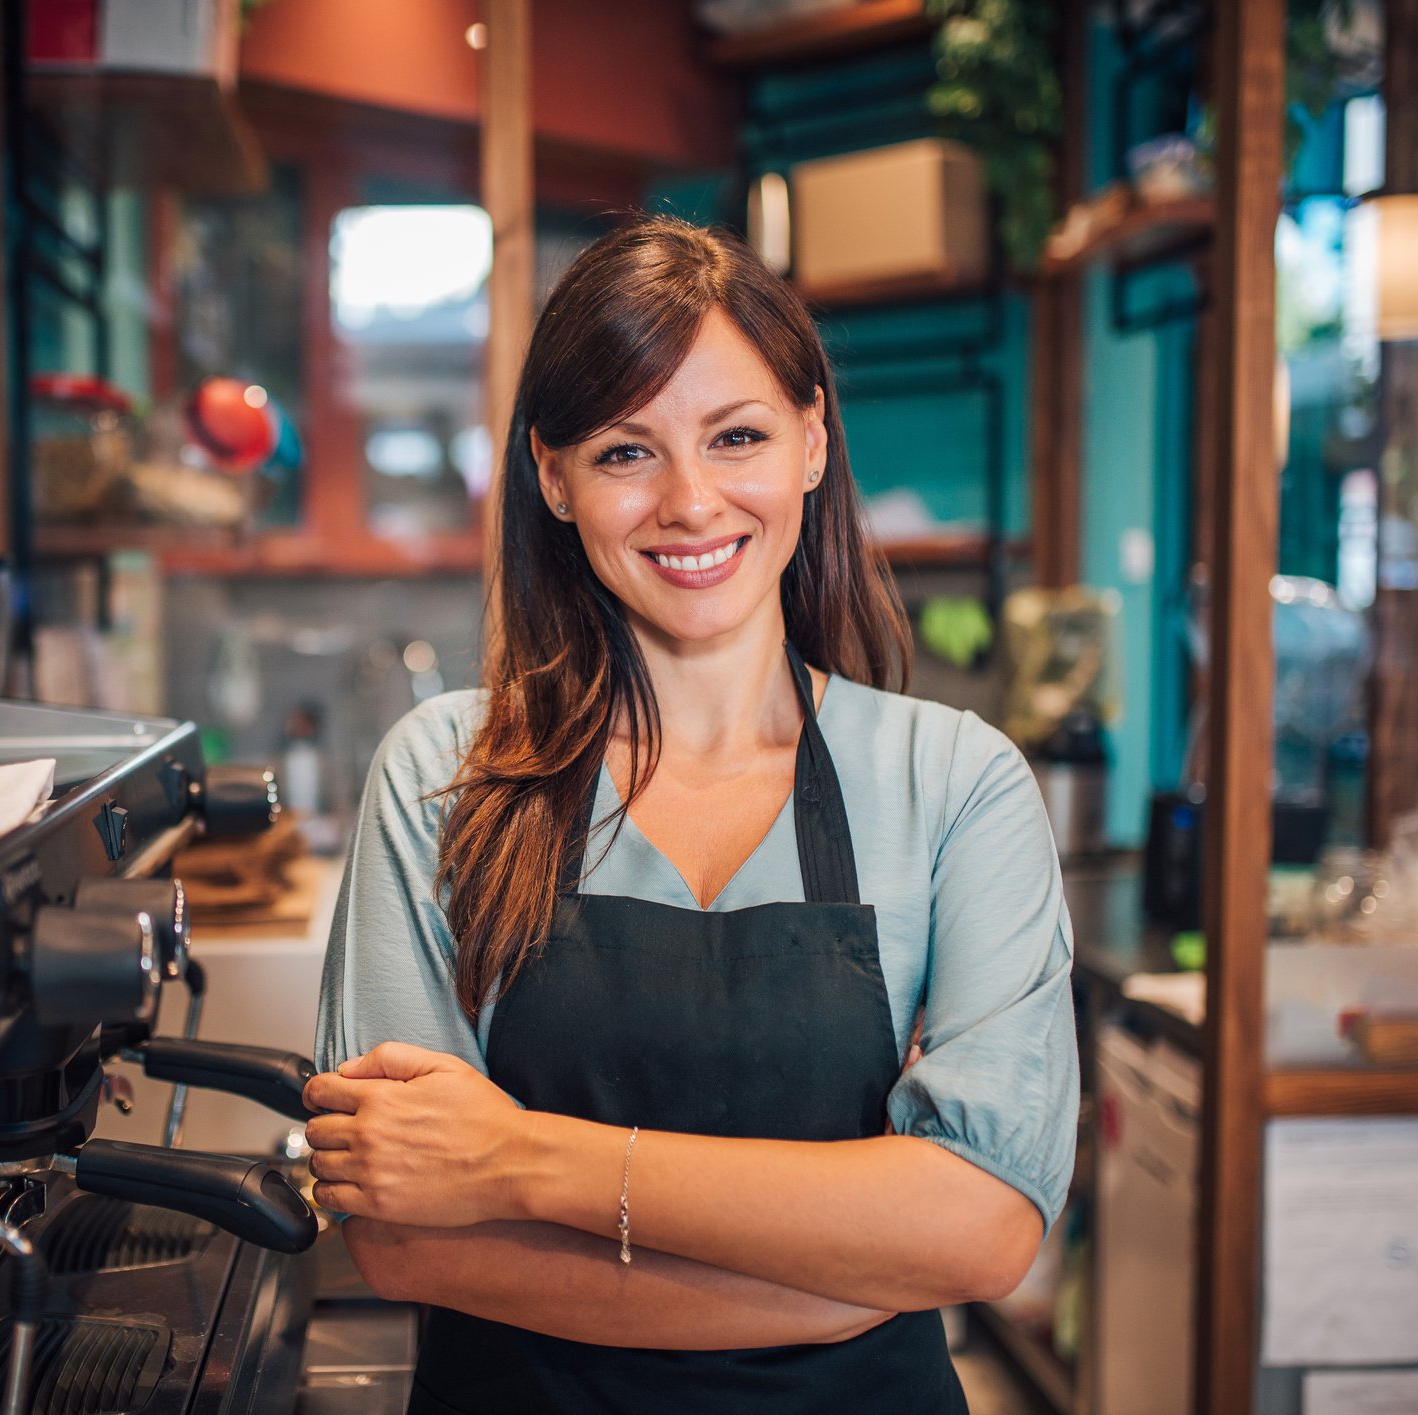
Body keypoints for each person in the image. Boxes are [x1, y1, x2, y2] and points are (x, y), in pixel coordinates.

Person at [304, 215, 1078, 1414]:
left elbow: (979, 1228)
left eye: (737, 436)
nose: (690, 500)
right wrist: (849, 1269)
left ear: (812, 443)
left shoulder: (953, 782)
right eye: (625, 452)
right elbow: (404, 1239)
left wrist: (517, 1159)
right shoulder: (444, 772)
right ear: (551, 475)